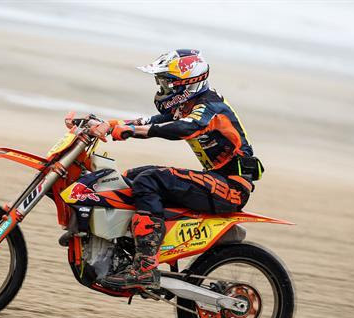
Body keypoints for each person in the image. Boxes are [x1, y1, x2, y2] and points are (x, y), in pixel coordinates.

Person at [100, 49, 263, 290]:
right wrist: (107, 124)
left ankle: (145, 266)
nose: (162, 88)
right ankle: (118, 244)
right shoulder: (189, 105)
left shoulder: (210, 107)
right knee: (133, 176)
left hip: (231, 188)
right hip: (217, 179)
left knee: (149, 179)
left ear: (187, 84)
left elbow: (184, 128)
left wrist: (132, 131)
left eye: (167, 83)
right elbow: (150, 121)